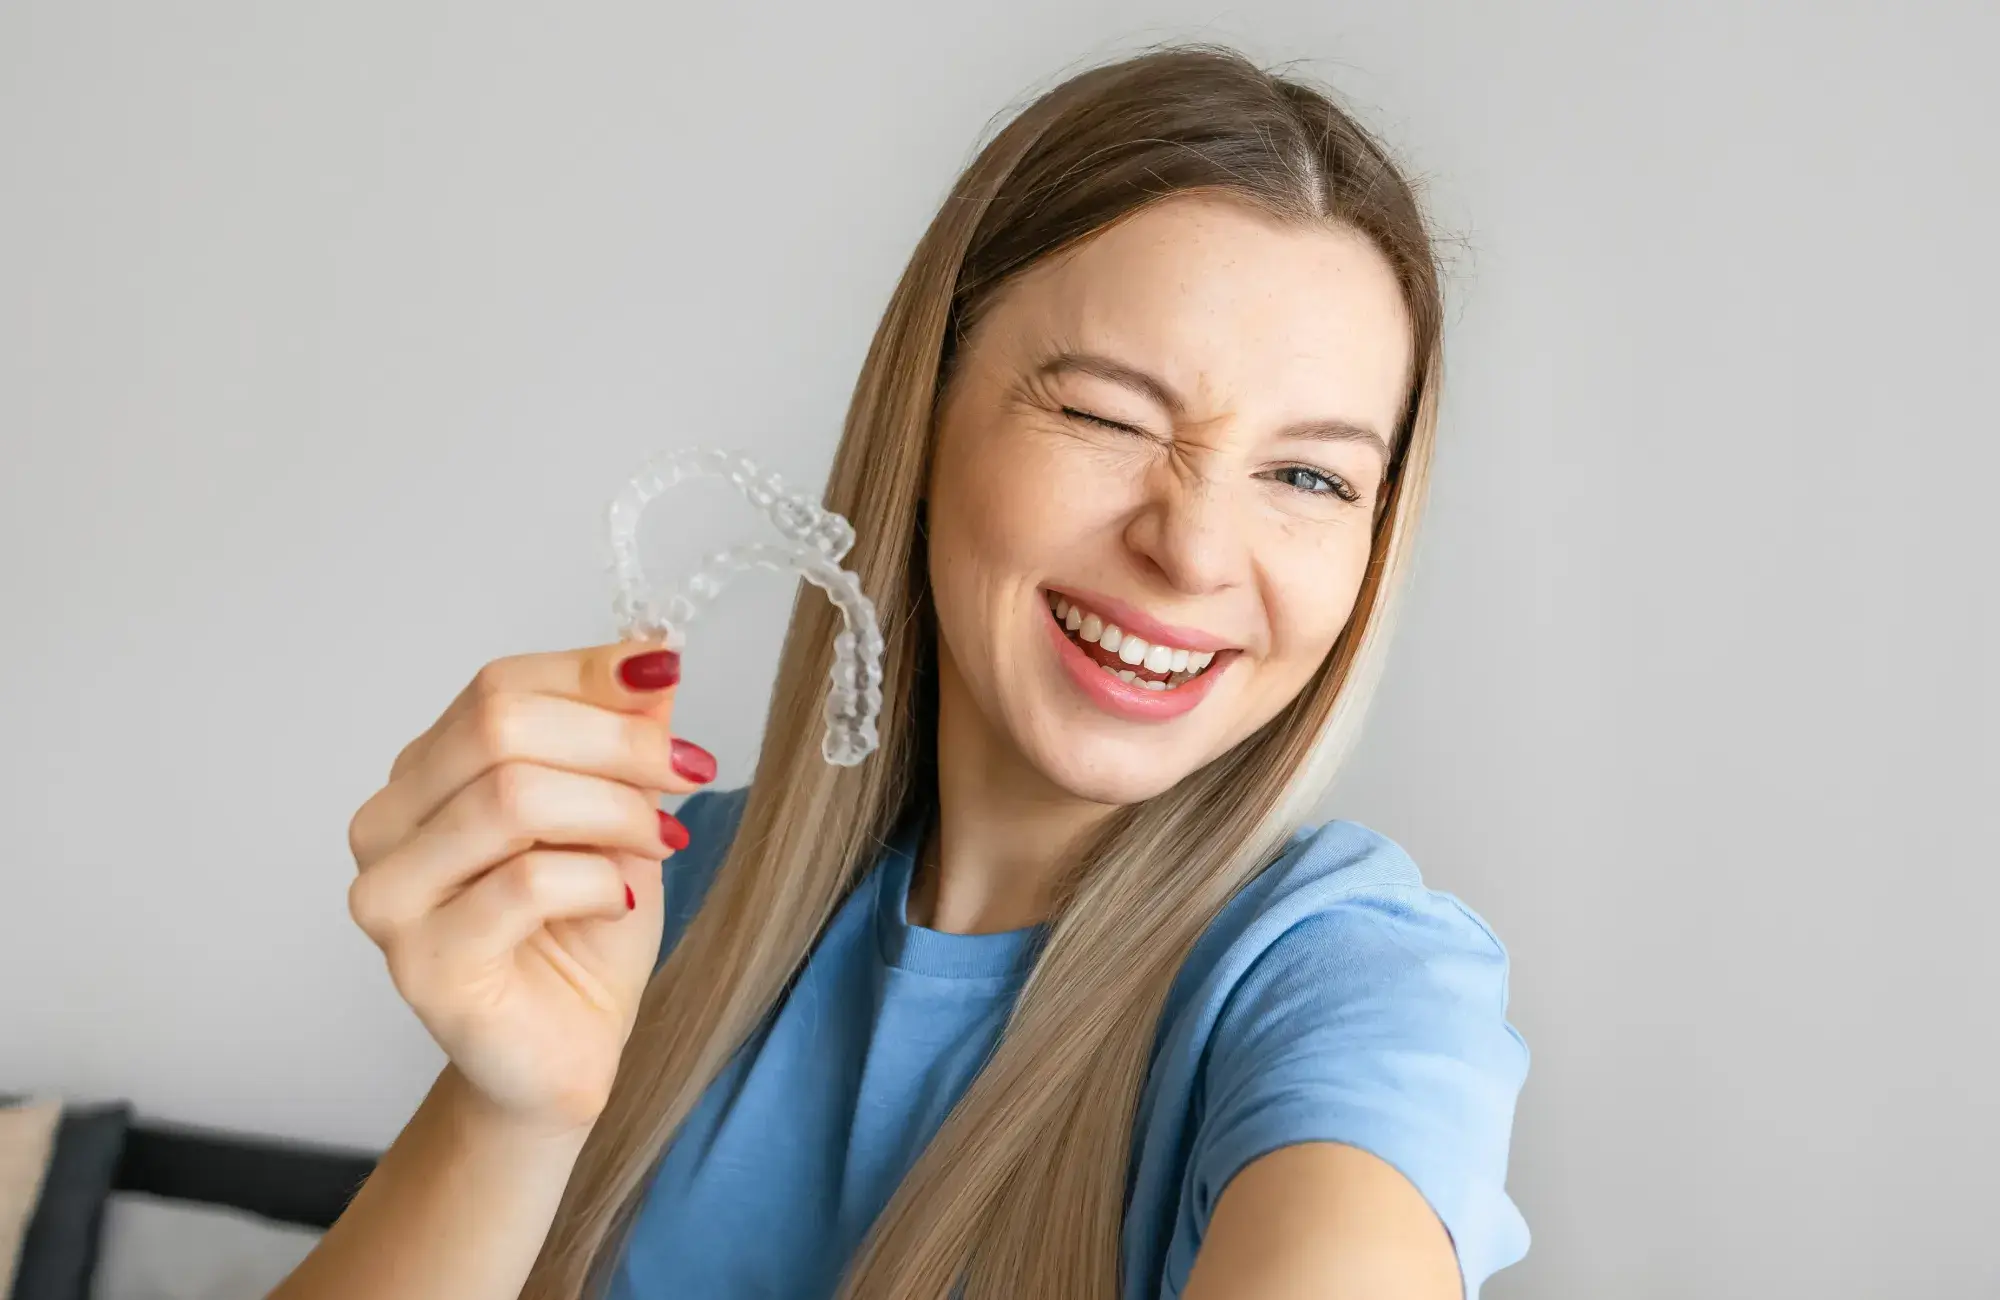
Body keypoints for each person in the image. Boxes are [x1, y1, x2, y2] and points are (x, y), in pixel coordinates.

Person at [272, 43, 1528, 1300]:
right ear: (921, 419)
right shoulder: (650, 895)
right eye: (1103, 415)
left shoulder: (1345, 981)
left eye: (1308, 477)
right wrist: (515, 1117)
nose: (1190, 547)